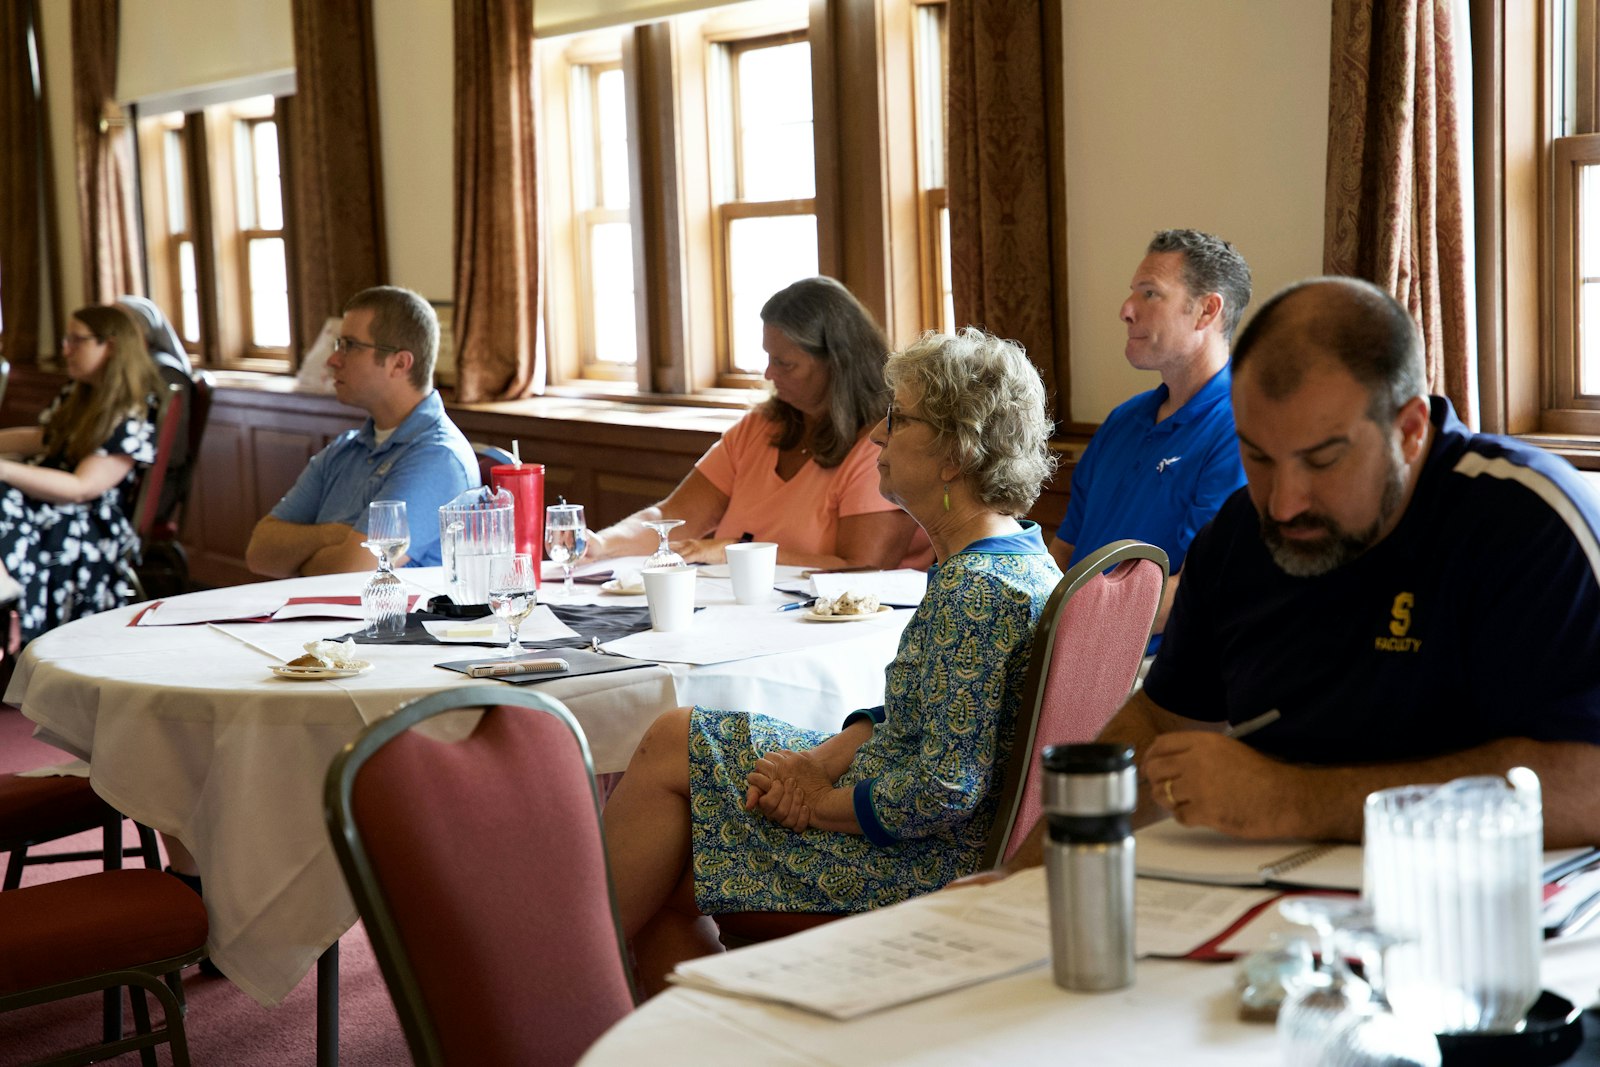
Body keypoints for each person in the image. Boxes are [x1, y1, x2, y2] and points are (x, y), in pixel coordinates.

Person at [1004, 277, 1600, 870]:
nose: (1284, 504)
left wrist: (1291, 799)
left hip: (1496, 909)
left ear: (1410, 429)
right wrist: (1018, 882)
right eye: (1257, 457)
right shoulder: (1241, 533)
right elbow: (1163, 720)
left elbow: (1588, 784)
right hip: (1269, 907)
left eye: (1323, 460)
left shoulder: (1524, 522)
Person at [603, 327, 1061, 992]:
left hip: (918, 860)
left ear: (955, 455)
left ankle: (555, 986)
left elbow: (943, 790)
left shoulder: (975, 591)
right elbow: (921, 714)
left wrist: (818, 803)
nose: (876, 435)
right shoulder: (1018, 555)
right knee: (678, 769)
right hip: (916, 813)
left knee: (675, 790)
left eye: (899, 418)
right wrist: (818, 762)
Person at [586, 276, 930, 570]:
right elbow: (671, 518)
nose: (769, 374)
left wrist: (738, 551)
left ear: (837, 364)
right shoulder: (760, 428)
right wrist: (601, 545)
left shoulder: (879, 444)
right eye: (768, 358)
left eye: (784, 363)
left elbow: (863, 569)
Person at [1051, 230, 1251, 641]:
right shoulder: (1123, 420)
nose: (1126, 310)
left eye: (1150, 294)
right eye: (1132, 293)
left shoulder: (1240, 430)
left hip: (1151, 666)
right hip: (1070, 646)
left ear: (1207, 311)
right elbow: (1065, 553)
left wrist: (1069, 640)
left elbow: (1191, 591)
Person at [244, 286, 477, 577]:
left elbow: (351, 573)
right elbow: (260, 552)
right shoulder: (346, 447)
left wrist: (300, 559)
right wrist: (333, 535)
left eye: (349, 346)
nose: (333, 359)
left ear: (399, 363)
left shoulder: (438, 458)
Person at [0, 305, 164, 642]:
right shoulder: (79, 394)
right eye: (66, 339)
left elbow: (81, 487)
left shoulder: (132, 409)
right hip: (51, 503)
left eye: (78, 340)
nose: (65, 350)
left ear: (112, 347)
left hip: (86, 522)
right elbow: (44, 438)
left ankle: (10, 605)